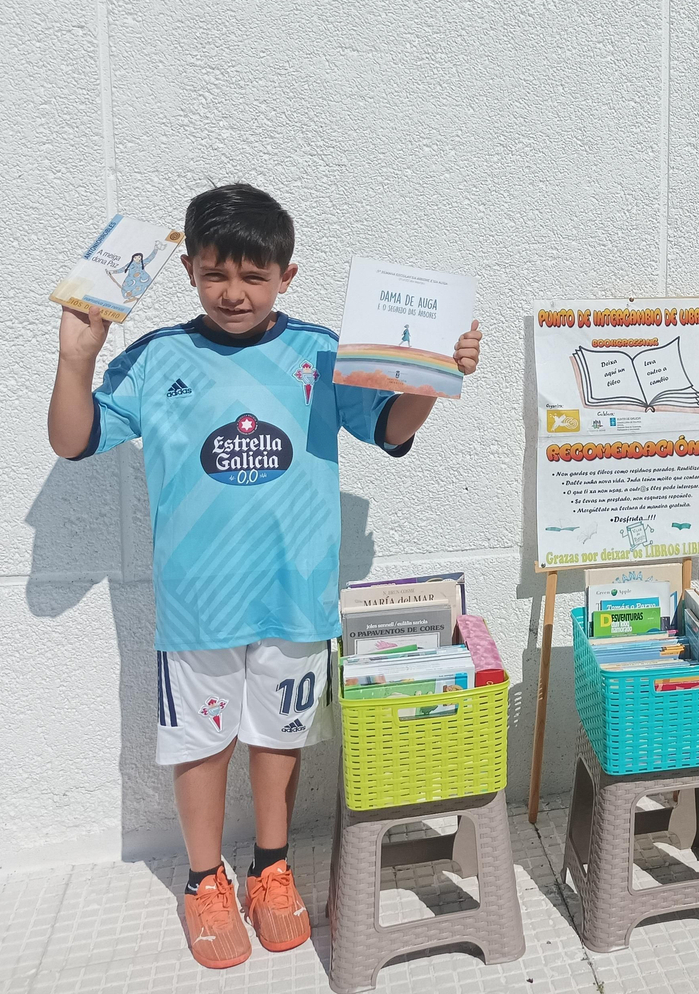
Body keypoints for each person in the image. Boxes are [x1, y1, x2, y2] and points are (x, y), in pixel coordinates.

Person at [47, 183, 484, 969]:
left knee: (279, 738)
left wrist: (431, 379)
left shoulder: (320, 352)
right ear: (188, 268)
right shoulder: (157, 359)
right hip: (195, 605)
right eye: (216, 273)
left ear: (288, 273)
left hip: (296, 595)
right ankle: (204, 879)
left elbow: (388, 428)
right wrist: (75, 358)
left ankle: (270, 866)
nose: (234, 292)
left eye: (253, 275)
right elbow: (74, 440)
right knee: (201, 744)